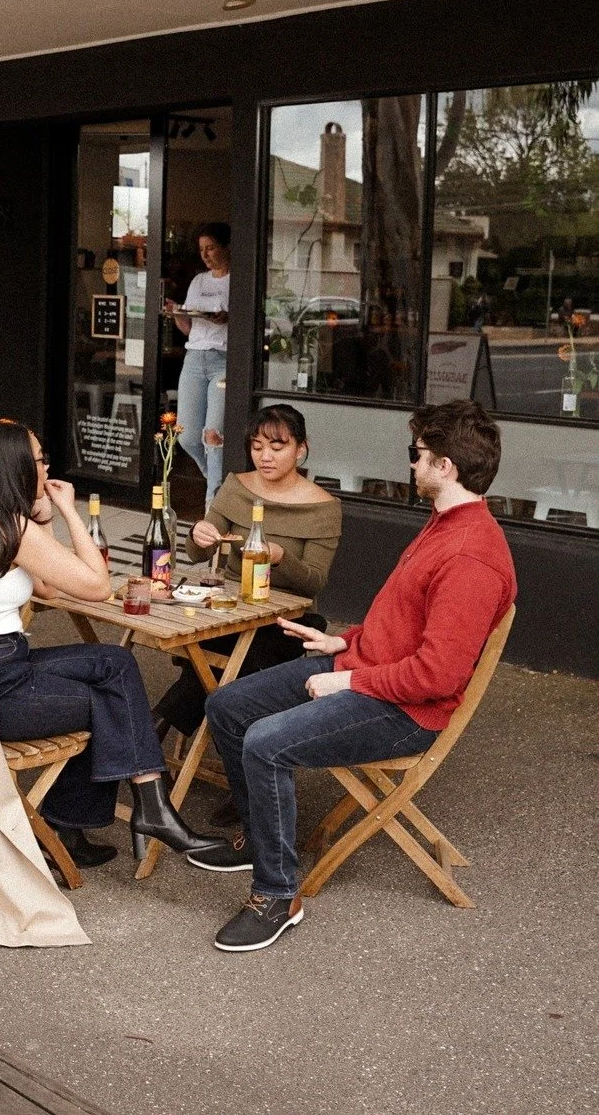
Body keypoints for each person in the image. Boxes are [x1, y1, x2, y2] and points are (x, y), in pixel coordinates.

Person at [191, 400, 516, 952]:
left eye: (418, 454)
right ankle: (259, 838)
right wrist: (347, 642)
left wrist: (347, 681)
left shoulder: (471, 556)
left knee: (265, 743)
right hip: (367, 668)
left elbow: (437, 675)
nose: (410, 463)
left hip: (406, 711)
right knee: (227, 707)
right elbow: (405, 619)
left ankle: (276, 895)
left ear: (447, 468)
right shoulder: (444, 525)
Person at [0, 419, 223, 869]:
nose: (46, 465)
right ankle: (144, 812)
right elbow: (96, 586)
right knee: (109, 702)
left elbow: (46, 588)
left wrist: (44, 517)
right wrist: (70, 512)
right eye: (39, 459)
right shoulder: (13, 528)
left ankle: (104, 819)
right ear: (13, 467)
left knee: (114, 663)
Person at [155, 403, 342, 744]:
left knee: (233, 658)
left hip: (287, 618)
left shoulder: (323, 507)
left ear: (301, 449)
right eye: (257, 447)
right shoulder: (237, 487)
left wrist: (281, 557)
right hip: (230, 607)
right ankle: (240, 755)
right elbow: (198, 552)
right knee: (219, 647)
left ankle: (158, 724)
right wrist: (198, 533)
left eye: (277, 446)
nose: (265, 457)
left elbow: (315, 582)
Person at [164, 224, 230, 509]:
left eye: (211, 248)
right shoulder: (199, 281)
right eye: (202, 249)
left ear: (226, 248)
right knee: (187, 436)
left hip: (223, 360)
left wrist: (226, 319)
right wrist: (176, 313)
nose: (205, 255)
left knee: (213, 435)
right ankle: (215, 480)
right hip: (193, 360)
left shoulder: (236, 281)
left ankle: (212, 503)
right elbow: (188, 326)